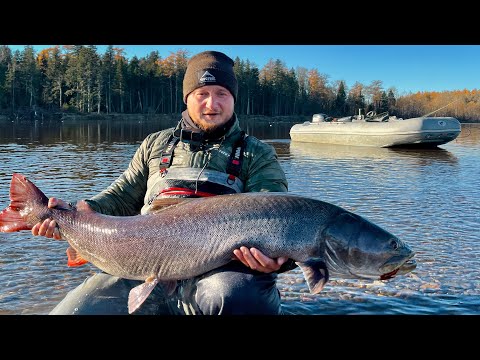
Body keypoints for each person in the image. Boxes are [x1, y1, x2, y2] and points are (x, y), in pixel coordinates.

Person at [32, 50, 295, 315]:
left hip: (218, 273)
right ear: (187, 98)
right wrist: (73, 214)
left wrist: (277, 260)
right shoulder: (155, 144)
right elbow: (120, 197)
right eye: (202, 94)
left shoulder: (256, 153)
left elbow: (275, 214)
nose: (212, 104)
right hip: (142, 264)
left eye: (221, 94)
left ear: (233, 99)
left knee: (243, 300)